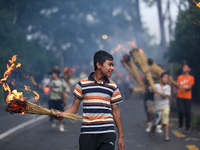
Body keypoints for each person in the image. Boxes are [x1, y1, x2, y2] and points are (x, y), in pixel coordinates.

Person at [56, 50, 125, 150]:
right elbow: (74, 108)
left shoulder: (113, 86)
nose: (112, 68)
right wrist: (62, 114)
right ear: (99, 65)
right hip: (87, 134)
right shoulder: (82, 84)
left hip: (107, 133)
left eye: (113, 65)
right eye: (109, 65)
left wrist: (121, 136)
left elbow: (116, 111)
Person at [149, 72, 171, 141]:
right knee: (155, 122)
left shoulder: (168, 87)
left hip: (165, 106)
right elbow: (149, 89)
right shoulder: (156, 86)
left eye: (167, 78)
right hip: (157, 107)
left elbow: (165, 96)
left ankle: (166, 136)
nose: (166, 79)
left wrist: (157, 92)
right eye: (164, 77)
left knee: (165, 120)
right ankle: (152, 131)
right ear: (161, 78)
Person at [176, 64, 194, 133]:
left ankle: (187, 127)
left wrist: (182, 87)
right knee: (180, 111)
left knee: (188, 112)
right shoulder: (179, 77)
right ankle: (180, 124)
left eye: (185, 67)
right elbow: (178, 85)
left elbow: (189, 87)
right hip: (180, 96)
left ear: (189, 69)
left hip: (188, 97)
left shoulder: (191, 78)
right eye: (183, 67)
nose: (184, 68)